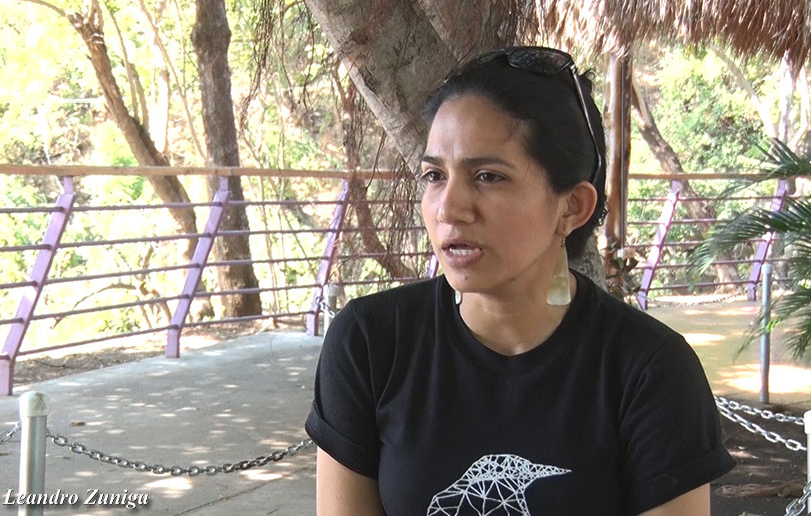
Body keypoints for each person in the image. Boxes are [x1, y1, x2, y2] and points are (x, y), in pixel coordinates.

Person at [305, 46, 734, 516]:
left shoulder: (649, 370)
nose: (449, 208)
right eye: (434, 175)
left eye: (488, 176)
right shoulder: (370, 343)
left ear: (571, 207)